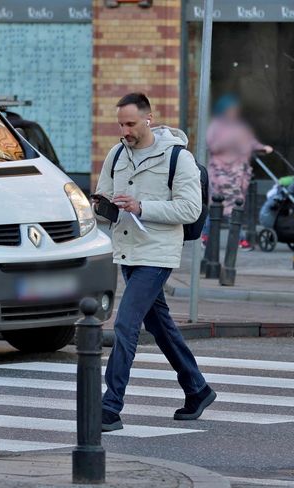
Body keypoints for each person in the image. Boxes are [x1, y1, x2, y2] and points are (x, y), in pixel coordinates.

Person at [94, 93, 216, 432]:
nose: (125, 130)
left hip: (158, 252)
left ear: (149, 119)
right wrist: (102, 206)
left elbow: (190, 210)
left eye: (130, 123)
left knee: (125, 324)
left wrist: (141, 206)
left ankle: (109, 406)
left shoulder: (178, 157)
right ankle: (198, 389)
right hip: (128, 250)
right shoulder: (117, 154)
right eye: (120, 123)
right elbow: (103, 195)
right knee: (160, 326)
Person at [204, 94, 272, 251]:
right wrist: (230, 141)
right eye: (230, 110)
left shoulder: (240, 127)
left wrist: (262, 148)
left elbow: (249, 141)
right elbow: (213, 145)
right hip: (221, 173)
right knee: (224, 206)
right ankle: (236, 238)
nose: (233, 113)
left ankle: (208, 235)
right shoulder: (216, 126)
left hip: (237, 173)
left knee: (231, 206)